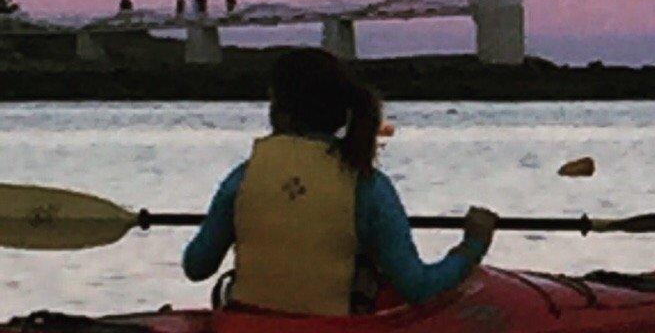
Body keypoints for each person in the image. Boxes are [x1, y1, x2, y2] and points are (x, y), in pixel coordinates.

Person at [182, 48, 497, 315]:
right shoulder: (368, 186)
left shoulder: (244, 176)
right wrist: (473, 245)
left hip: (246, 328)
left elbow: (196, 266)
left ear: (278, 110)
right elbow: (418, 287)